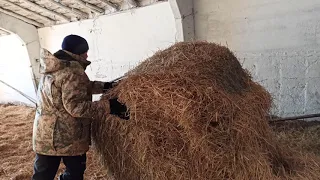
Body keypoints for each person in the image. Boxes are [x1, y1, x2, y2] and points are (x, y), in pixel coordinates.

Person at [32, 35, 128, 180]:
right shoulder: (72, 71)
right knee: (74, 173)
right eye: (85, 51)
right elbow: (76, 108)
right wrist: (110, 106)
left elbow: (76, 88)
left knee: (42, 176)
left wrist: (105, 86)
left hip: (45, 134)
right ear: (78, 52)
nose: (87, 55)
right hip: (67, 137)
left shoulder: (54, 66)